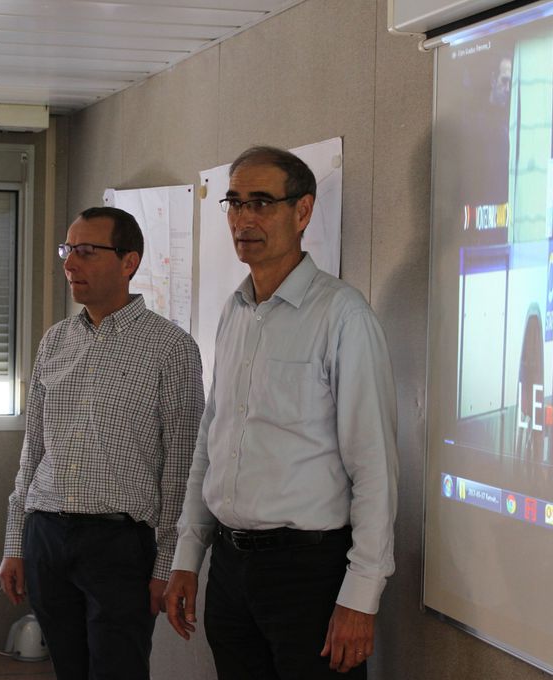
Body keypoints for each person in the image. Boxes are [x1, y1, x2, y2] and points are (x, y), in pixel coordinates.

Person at [164, 146, 399, 679]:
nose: (245, 218)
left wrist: (361, 596)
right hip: (230, 564)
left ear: (303, 211)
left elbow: (375, 466)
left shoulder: (343, 316)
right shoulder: (235, 311)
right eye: (235, 203)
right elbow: (212, 439)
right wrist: (187, 556)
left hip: (308, 572)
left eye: (263, 203)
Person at [0, 207, 204, 680]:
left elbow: (181, 466)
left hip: (119, 545)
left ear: (129, 262)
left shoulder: (170, 348)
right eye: (68, 250)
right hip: (47, 533)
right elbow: (33, 451)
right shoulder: (55, 341)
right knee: (68, 669)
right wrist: (16, 543)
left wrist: (167, 564)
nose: (70, 264)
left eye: (87, 251)